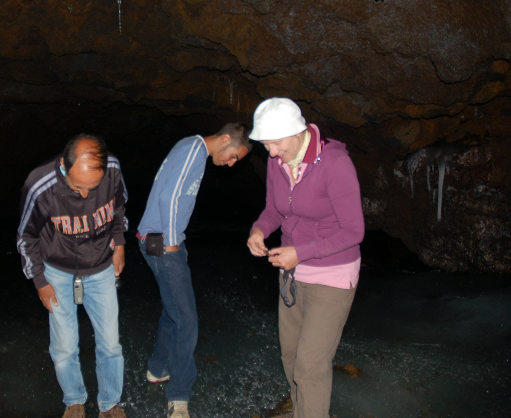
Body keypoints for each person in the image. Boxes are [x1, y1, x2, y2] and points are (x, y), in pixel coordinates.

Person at [246, 98, 364, 418]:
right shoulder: (277, 161)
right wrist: (259, 230)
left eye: (275, 143)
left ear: (297, 132)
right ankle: (301, 411)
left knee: (310, 366)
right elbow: (274, 210)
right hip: (292, 273)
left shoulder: (335, 164)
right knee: (291, 356)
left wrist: (302, 253)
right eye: (265, 144)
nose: (270, 152)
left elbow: (354, 231)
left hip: (333, 273)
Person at [137, 123, 252, 418]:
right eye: (233, 156)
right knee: (186, 318)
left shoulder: (192, 148)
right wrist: (173, 244)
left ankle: (158, 368)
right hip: (161, 242)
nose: (230, 164)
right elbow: (170, 198)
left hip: (154, 239)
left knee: (172, 307)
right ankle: (179, 395)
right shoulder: (194, 150)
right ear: (225, 139)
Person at [16, 134, 128, 418]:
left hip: (101, 266)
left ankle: (110, 403)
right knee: (65, 344)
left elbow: (119, 207)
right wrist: (40, 281)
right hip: (57, 271)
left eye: (94, 187)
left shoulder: (112, 168)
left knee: (111, 343)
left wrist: (120, 245)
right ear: (65, 168)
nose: (86, 195)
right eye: (78, 187)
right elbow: (26, 237)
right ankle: (74, 399)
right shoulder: (40, 185)